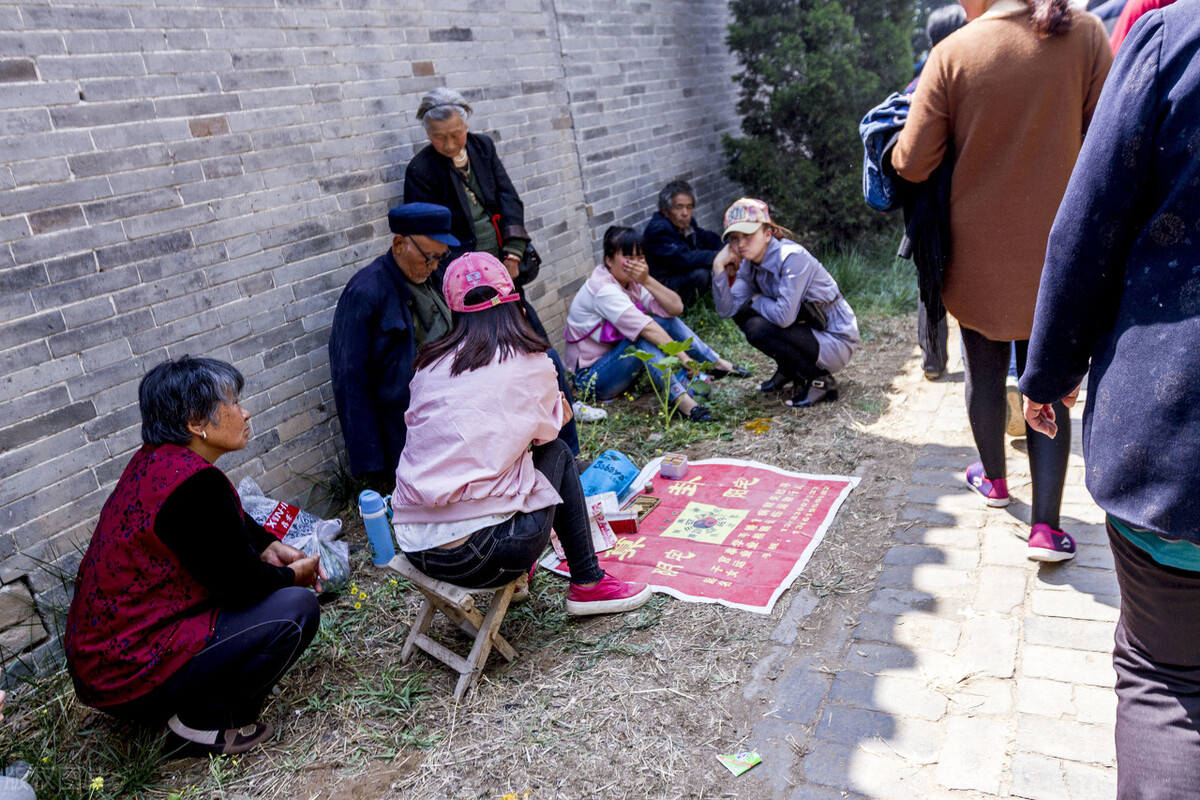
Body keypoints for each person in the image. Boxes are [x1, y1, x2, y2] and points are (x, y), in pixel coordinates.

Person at [1021, 3, 1200, 793]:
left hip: (1177, 450)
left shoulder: (1174, 36)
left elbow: (1087, 225)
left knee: (1166, 678)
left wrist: (1050, 373)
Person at [890, 0, 1112, 560]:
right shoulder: (1083, 34)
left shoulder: (953, 53)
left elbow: (913, 163)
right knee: (1047, 383)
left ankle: (993, 482)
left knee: (984, 373)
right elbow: (1110, 143)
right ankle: (1046, 528)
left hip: (977, 258)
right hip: (1060, 256)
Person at [64, 357, 323, 756]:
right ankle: (202, 722)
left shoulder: (155, 462)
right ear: (195, 423)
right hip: (130, 670)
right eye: (234, 403)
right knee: (295, 610)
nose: (245, 411)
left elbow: (213, 531)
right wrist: (295, 576)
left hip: (104, 666)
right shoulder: (194, 485)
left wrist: (267, 544)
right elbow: (241, 587)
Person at [391, 252, 652, 616]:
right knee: (558, 452)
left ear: (453, 310)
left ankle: (546, 577)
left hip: (415, 546)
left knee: (514, 465)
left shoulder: (428, 364)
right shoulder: (530, 361)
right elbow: (549, 432)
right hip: (481, 556)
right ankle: (588, 583)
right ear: (513, 301)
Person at [401, 88, 605, 425]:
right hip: (463, 285)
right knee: (481, 351)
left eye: (456, 134)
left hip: (502, 271)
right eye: (440, 138)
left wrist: (512, 256)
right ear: (427, 134)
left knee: (533, 338)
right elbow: (428, 235)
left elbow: (509, 199)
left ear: (466, 125)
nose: (450, 144)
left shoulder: (483, 147)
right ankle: (506, 418)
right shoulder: (421, 170)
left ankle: (564, 403)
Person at [329, 203, 460, 484]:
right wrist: (372, 469)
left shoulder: (435, 276)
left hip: (452, 410)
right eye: (428, 257)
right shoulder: (365, 292)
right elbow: (350, 384)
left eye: (441, 256)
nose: (435, 265)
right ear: (399, 244)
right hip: (406, 434)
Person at [564, 226, 747, 423]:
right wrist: (684, 358)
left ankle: (717, 363)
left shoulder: (631, 282)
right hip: (591, 380)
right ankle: (682, 401)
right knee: (642, 337)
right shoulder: (604, 289)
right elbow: (646, 328)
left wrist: (647, 280)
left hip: (616, 364)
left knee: (663, 321)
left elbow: (675, 308)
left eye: (640, 258)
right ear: (609, 260)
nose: (636, 264)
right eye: (628, 257)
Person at [712, 198, 861, 408]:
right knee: (743, 312)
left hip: (834, 337)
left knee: (757, 326)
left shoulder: (791, 257)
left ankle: (820, 381)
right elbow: (728, 309)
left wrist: (757, 299)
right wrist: (718, 267)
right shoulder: (749, 263)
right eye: (735, 238)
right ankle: (789, 369)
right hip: (806, 330)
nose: (741, 244)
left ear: (767, 234)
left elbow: (783, 318)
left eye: (748, 235)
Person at [642, 180, 724, 307]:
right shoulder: (658, 229)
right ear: (665, 211)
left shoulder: (686, 223)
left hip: (680, 274)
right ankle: (686, 308)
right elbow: (683, 258)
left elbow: (706, 237)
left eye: (689, 207)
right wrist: (719, 257)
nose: (685, 213)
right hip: (662, 284)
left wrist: (727, 248)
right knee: (702, 274)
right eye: (679, 207)